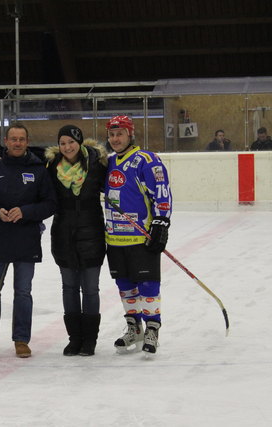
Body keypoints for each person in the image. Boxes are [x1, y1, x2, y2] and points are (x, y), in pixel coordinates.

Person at [0, 122, 57, 358]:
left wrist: (26, 212)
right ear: (6, 141)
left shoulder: (39, 169)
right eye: (13, 139)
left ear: (27, 142)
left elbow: (50, 203)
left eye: (21, 139)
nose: (17, 143)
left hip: (26, 240)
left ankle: (21, 339)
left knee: (22, 292)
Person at [104, 115, 172, 358]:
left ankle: (153, 327)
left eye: (120, 134)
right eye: (112, 135)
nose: (115, 139)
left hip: (140, 237)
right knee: (125, 286)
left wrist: (161, 224)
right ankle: (134, 327)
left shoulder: (146, 159)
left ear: (130, 134)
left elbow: (162, 192)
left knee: (148, 285)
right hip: (114, 238)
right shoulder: (109, 162)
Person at [45, 125, 107, 356]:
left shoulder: (97, 163)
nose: (67, 147)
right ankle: (75, 338)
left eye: (71, 142)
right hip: (63, 234)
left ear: (79, 142)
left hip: (92, 232)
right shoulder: (52, 167)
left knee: (90, 289)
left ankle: (89, 340)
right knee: (69, 288)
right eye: (62, 143)